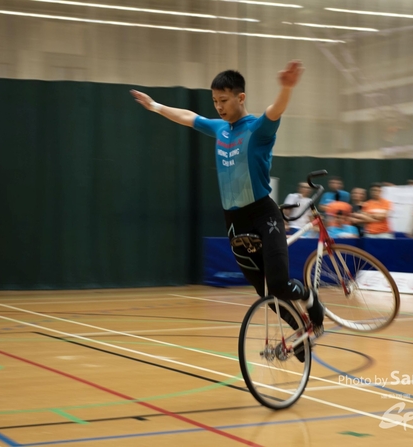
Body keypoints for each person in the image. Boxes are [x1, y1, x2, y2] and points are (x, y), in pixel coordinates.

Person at [130, 60, 324, 341]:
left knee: (279, 284)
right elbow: (188, 117)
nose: (218, 106)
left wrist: (286, 88)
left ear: (240, 97)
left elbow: (275, 110)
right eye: (214, 101)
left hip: (264, 215)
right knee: (266, 293)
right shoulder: (220, 129)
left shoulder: (258, 129)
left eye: (223, 100)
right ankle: (300, 333)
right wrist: (155, 106)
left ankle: (309, 298)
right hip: (234, 222)